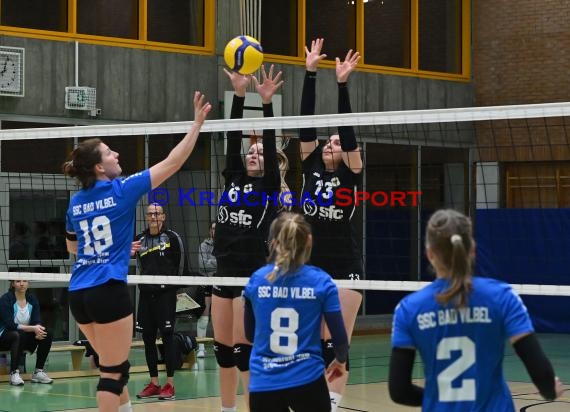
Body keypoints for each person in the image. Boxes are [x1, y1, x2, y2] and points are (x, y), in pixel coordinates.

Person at [63, 91, 211, 412]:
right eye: (109, 152)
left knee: (113, 364)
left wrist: (112, 247)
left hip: (78, 293)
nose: (116, 154)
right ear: (99, 168)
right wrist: (197, 125)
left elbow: (73, 246)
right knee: (112, 373)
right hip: (107, 291)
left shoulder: (76, 202)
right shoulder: (122, 190)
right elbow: (173, 162)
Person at [389, 209, 565, 410]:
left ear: (430, 254)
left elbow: (399, 391)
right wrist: (550, 389)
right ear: (472, 249)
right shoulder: (502, 297)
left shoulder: (408, 309)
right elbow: (538, 369)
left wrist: (438, 398)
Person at [213, 64, 284, 412]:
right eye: (250, 151)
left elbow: (269, 147)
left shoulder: (269, 186)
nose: (254, 153)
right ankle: (227, 410)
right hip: (222, 269)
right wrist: (240, 96)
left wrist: (266, 103)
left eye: (259, 153)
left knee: (243, 352)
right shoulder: (233, 177)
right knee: (222, 352)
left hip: (249, 275)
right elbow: (232, 137)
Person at [298, 38, 362, 411]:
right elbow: (305, 126)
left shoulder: (353, 173)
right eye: (328, 140)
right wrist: (310, 74)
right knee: (312, 343)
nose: (329, 143)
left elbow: (349, 132)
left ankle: (332, 406)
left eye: (336, 141)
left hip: (345, 267)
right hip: (310, 266)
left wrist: (341, 84)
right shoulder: (309, 168)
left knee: (336, 344)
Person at [243, 212, 349, 412]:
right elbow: (340, 339)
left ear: (273, 242)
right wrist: (340, 360)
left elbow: (250, 334)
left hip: (264, 382)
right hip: (307, 379)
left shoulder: (257, 280)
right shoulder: (321, 282)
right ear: (309, 240)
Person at [134, 203, 189, 401]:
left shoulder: (173, 238)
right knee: (147, 338)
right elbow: (135, 261)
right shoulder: (139, 239)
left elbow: (182, 264)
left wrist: (175, 289)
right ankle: (154, 383)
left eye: (157, 213)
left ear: (163, 217)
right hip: (146, 295)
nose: (153, 217)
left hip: (166, 295)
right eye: (150, 214)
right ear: (147, 217)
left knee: (167, 337)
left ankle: (170, 384)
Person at [0, 279, 54, 385]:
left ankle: (38, 372)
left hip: (23, 336)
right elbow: (10, 325)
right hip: (4, 337)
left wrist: (38, 330)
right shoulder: (6, 299)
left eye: (24, 281)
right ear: (12, 284)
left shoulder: (32, 298)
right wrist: (33, 329)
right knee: (17, 335)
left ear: (28, 283)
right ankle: (14, 373)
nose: (21, 284)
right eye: (18, 281)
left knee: (47, 333)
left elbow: (36, 320)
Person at [197, 220, 216, 358]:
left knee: (218, 317)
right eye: (213, 229)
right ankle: (201, 348)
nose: (215, 231)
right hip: (207, 281)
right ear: (210, 231)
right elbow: (203, 265)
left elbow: (225, 264)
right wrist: (217, 262)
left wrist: (211, 262)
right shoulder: (204, 245)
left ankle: (219, 346)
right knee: (204, 316)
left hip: (222, 283)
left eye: (217, 229)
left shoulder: (226, 245)